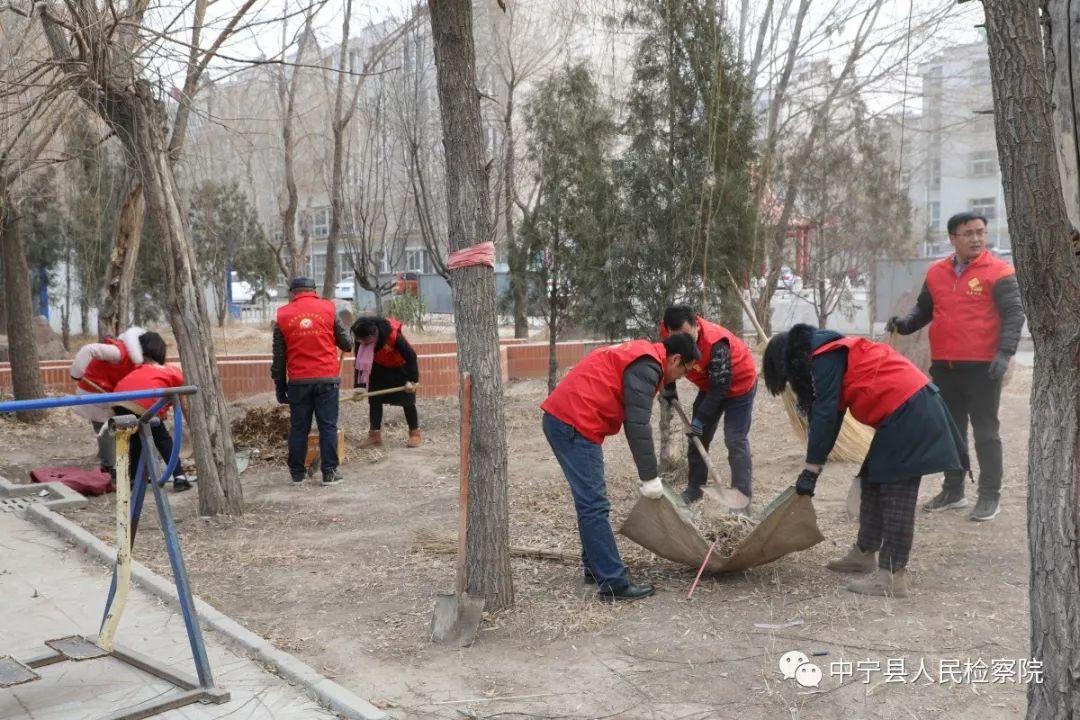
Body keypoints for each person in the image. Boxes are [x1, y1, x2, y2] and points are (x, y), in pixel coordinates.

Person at [762, 323, 968, 598]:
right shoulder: (826, 353)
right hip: (901, 412)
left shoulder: (824, 357)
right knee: (872, 479)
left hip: (911, 409)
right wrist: (813, 468)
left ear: (788, 361)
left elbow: (824, 415)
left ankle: (892, 576)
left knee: (896, 494)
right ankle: (864, 553)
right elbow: (831, 415)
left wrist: (810, 470)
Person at [886, 212, 1024, 521]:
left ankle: (989, 496)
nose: (976, 238)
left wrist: (1004, 354)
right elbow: (924, 310)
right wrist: (905, 324)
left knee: (986, 433)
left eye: (980, 232)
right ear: (953, 238)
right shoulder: (936, 273)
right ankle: (953, 491)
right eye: (968, 233)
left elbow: (1015, 316)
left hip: (983, 369)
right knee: (951, 431)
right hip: (945, 367)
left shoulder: (1000, 272)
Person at [540, 333, 699, 602]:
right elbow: (637, 426)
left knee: (588, 502)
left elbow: (638, 388)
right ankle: (613, 584)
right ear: (674, 359)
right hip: (574, 423)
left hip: (565, 418)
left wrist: (665, 386)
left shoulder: (643, 354)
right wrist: (650, 478)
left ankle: (596, 567)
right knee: (594, 504)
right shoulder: (647, 366)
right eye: (683, 372)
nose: (681, 378)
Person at [660, 305, 758, 507]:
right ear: (669, 331)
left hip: (739, 384)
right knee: (698, 437)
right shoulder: (667, 333)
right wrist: (669, 387)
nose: (684, 343)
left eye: (689, 336)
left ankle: (742, 499)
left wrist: (699, 420)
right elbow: (667, 360)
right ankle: (695, 489)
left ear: (697, 324)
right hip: (709, 384)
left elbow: (720, 389)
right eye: (678, 338)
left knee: (735, 439)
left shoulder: (716, 343)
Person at [271, 277, 353, 485]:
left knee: (299, 428)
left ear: (293, 293)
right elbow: (346, 343)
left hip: (298, 382)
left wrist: (280, 385)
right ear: (314, 291)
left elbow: (279, 357)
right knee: (328, 427)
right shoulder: (328, 308)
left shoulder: (283, 315)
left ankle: (297, 474)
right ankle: (330, 473)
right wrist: (348, 339)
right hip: (327, 379)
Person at [111, 332, 192, 492]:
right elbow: (184, 404)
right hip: (143, 408)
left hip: (118, 402)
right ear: (162, 352)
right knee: (163, 440)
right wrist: (191, 423)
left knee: (135, 442)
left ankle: (134, 480)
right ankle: (179, 476)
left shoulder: (135, 371)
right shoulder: (171, 371)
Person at [69, 326, 148, 479]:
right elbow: (89, 349)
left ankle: (109, 456)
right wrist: (76, 372)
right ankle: (109, 465)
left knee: (112, 428)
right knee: (105, 428)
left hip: (108, 394)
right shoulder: (118, 352)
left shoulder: (134, 359)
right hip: (94, 393)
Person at [351, 316, 421, 448]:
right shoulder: (361, 339)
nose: (363, 343)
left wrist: (412, 380)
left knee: (408, 401)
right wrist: (359, 386)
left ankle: (415, 433)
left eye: (366, 340)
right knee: (374, 400)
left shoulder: (393, 336)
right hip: (378, 368)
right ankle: (374, 436)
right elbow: (359, 363)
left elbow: (411, 356)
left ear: (374, 333)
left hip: (400, 367)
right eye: (361, 340)